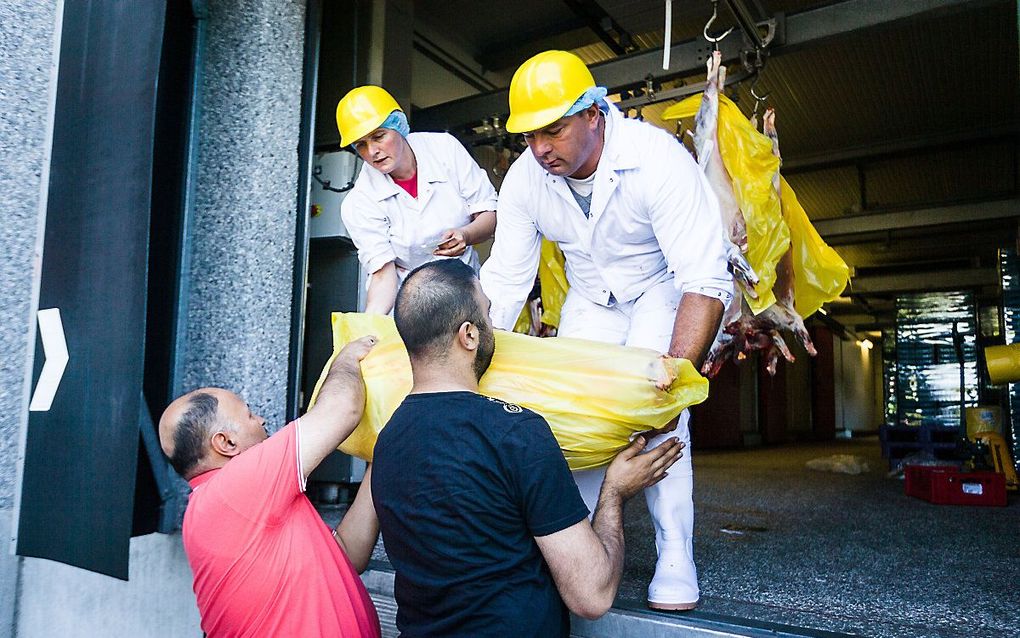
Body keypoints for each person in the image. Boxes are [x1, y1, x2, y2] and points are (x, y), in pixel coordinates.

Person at [479, 50, 733, 611]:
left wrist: (676, 376)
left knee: (652, 407)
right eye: (529, 136)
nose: (541, 148)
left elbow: (704, 276)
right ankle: (579, 546)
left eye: (554, 129)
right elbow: (505, 280)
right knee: (570, 410)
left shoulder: (657, 158)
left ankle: (675, 552)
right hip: (592, 297)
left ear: (594, 114)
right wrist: (459, 364)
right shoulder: (526, 179)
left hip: (662, 287)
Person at [372, 259, 684, 637]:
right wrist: (615, 492)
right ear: (469, 336)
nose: (495, 327)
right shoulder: (517, 433)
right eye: (488, 313)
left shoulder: (386, 441)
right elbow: (592, 596)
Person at [158, 337, 382, 638]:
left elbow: (347, 555)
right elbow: (343, 409)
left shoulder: (234, 505)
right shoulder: (230, 490)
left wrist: (377, 458)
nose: (261, 419)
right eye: (249, 414)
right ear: (226, 443)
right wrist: (346, 357)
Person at [337, 85, 498, 314]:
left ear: (399, 126)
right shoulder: (360, 202)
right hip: (411, 306)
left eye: (379, 136)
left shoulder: (444, 150)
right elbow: (383, 276)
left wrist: (466, 235)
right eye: (361, 145)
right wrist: (368, 331)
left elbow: (488, 216)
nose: (372, 151)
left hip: (466, 291)